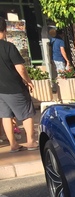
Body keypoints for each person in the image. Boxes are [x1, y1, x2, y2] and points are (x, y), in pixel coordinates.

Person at [0, 17, 37, 152]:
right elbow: (20, 68)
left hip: (0, 91)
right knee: (26, 113)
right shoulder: (8, 47)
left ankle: (13, 144)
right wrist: (28, 81)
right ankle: (31, 141)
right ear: (4, 30)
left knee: (6, 116)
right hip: (14, 87)